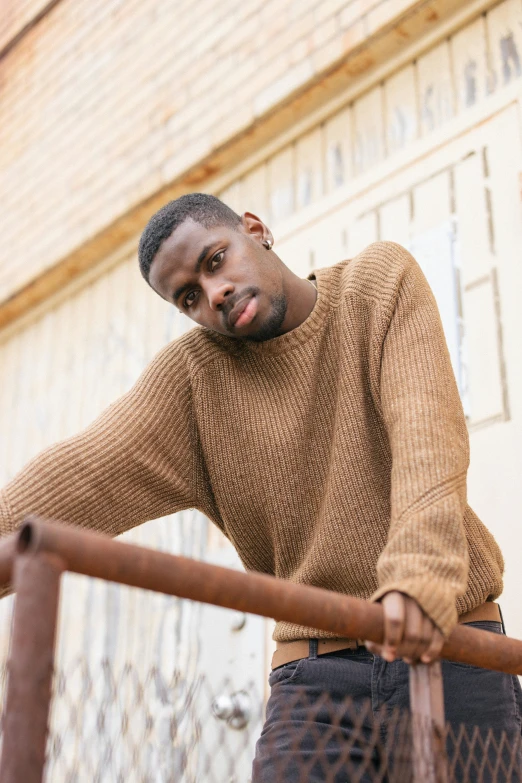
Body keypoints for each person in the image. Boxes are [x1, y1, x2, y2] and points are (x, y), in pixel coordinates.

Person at [0, 193, 518, 779]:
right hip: (317, 679)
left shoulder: (378, 286)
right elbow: (79, 475)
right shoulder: (195, 381)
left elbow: (429, 443)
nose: (213, 293)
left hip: (450, 644)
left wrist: (418, 583)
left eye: (215, 260)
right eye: (189, 297)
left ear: (256, 229)